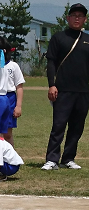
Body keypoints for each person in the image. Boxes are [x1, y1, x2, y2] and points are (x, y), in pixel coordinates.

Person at [42, 3, 89, 170]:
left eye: (80, 16)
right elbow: (51, 63)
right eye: (74, 15)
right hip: (63, 90)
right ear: (68, 18)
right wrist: (52, 85)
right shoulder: (58, 38)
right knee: (59, 126)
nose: (77, 18)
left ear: (85, 19)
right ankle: (52, 159)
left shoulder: (87, 39)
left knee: (77, 127)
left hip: (84, 91)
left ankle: (68, 159)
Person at [2, 42, 25, 147]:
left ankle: (10, 160)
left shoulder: (13, 66)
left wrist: (18, 106)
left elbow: (19, 87)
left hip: (9, 98)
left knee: (7, 133)